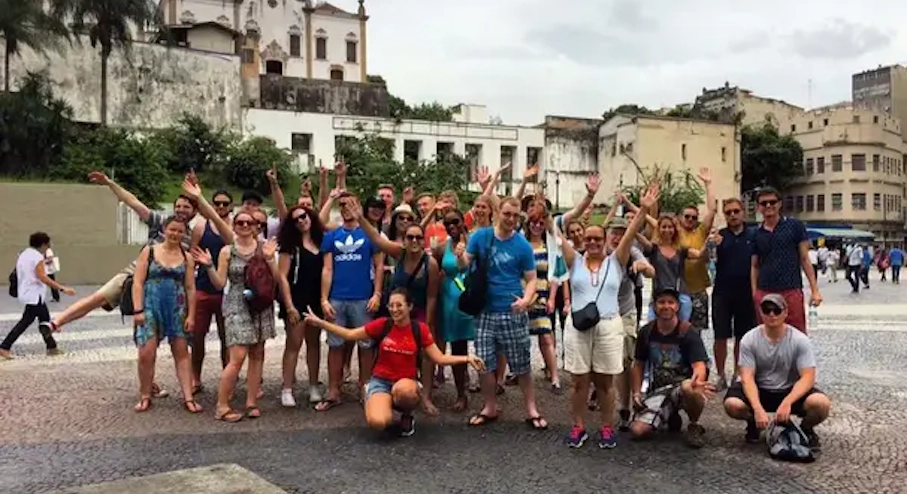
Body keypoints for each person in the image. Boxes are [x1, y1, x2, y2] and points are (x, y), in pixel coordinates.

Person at [303, 288, 485, 437]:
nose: (395, 309)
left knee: (404, 391)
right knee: (378, 422)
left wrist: (467, 358)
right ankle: (378, 399)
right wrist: (321, 323)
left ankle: (407, 413)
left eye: (399, 305)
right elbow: (350, 334)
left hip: (405, 381)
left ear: (409, 307)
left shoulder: (418, 329)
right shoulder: (383, 324)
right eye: (391, 305)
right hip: (381, 381)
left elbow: (439, 358)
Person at [560, 184, 656, 449]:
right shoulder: (574, 260)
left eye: (597, 239)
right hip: (579, 327)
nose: (592, 242)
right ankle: (578, 426)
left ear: (604, 241)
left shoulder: (617, 261)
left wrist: (645, 206)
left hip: (608, 325)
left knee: (605, 381)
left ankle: (606, 426)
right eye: (588, 238)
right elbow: (554, 229)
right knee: (579, 381)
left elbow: (633, 230)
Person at [458, 196, 547, 429]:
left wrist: (526, 300)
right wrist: (459, 254)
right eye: (507, 214)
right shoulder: (480, 236)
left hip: (512, 309)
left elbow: (531, 280)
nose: (511, 219)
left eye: (515, 216)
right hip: (484, 309)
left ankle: (531, 408)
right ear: (498, 213)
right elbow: (463, 265)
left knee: (522, 364)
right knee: (485, 362)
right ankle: (489, 406)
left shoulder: (523, 245)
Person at [354, 200, 442, 415]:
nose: (413, 241)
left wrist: (428, 323)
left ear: (424, 241)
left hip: (419, 310)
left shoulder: (429, 263)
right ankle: (381, 387)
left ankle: (426, 396)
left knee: (427, 355)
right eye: (410, 237)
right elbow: (375, 238)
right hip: (395, 310)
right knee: (387, 347)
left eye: (418, 238)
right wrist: (360, 217)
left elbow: (432, 296)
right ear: (404, 239)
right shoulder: (399, 253)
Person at [191, 208, 279, 422]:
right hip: (237, 303)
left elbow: (277, 278)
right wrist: (209, 266)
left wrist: (269, 259)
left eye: (250, 223)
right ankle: (222, 405)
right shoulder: (227, 251)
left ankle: (251, 402)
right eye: (240, 222)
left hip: (261, 303)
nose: (245, 226)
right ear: (234, 226)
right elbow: (220, 283)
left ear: (257, 227)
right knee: (237, 357)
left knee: (257, 354)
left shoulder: (264, 247)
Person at [723, 293, 832, 448]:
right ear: (761, 313)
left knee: (821, 404)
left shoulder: (800, 340)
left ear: (785, 312)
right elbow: (747, 377)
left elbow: (808, 377)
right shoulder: (749, 339)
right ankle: (753, 422)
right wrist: (757, 408)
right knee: (732, 404)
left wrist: (788, 402)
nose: (772, 314)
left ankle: (806, 429)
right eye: (767, 310)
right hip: (760, 389)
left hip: (789, 389)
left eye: (776, 310)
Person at [318, 192, 383, 411]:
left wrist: (377, 294)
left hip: (363, 296)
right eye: (343, 205)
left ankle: (365, 386)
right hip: (337, 297)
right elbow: (327, 268)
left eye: (352, 204)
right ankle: (334, 390)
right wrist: (324, 298)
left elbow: (379, 266)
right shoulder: (332, 235)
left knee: (366, 345)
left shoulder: (369, 234)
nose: (347, 208)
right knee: (335, 345)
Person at [628, 288, 715, 449]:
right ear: (654, 306)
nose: (666, 306)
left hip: (683, 387)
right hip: (659, 389)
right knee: (637, 431)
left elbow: (699, 365)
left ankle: (694, 424)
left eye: (670, 302)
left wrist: (698, 381)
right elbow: (638, 364)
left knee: (691, 388)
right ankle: (670, 415)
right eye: (661, 302)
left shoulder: (688, 332)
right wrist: (636, 393)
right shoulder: (646, 332)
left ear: (677, 307)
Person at [131, 216, 198, 414]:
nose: (175, 234)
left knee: (182, 352)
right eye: (172, 230)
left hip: (177, 307)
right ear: (164, 229)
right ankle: (145, 394)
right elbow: (138, 282)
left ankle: (188, 396)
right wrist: (138, 309)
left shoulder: (187, 257)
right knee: (146, 353)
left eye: (180, 231)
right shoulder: (149, 251)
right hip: (151, 305)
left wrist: (191, 315)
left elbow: (190, 288)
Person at [750, 187, 822, 333]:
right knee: (767, 334)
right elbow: (755, 266)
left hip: (791, 289)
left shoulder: (795, 226)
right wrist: (755, 293)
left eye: (772, 202)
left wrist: (815, 290)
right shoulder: (756, 233)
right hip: (765, 290)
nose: (769, 206)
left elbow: (804, 259)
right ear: (758, 207)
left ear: (780, 204)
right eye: (764, 203)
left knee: (796, 333)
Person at [276, 205, 327, 407]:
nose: (301, 221)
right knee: (293, 344)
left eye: (303, 216)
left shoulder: (322, 242)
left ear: (311, 216)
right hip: (296, 299)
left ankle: (314, 385)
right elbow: (282, 276)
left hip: (316, 299)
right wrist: (289, 305)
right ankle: (287, 388)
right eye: (296, 219)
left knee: (314, 344)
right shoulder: (290, 245)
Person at [0, 233, 75, 360]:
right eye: (48, 244)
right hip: (34, 295)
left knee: (44, 321)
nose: (49, 247)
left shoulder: (24, 254)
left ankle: (51, 347)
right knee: (26, 321)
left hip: (28, 292)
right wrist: (62, 288)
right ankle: (4, 347)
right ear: (44, 244)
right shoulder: (37, 257)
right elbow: (42, 277)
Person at [188, 189, 234, 394]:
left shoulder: (236, 227)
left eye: (225, 203)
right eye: (217, 203)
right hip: (203, 288)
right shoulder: (200, 227)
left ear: (231, 206)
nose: (221, 207)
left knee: (228, 339)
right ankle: (195, 378)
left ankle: (228, 378)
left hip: (227, 291)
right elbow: (192, 256)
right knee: (197, 337)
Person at [432, 209, 477, 411]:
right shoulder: (442, 247)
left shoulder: (474, 242)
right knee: (457, 346)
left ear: (463, 222)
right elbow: (432, 267)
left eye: (455, 222)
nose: (451, 227)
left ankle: (490, 391)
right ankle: (461, 392)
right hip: (449, 300)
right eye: (447, 224)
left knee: (484, 346)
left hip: (471, 297)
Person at [710, 198, 757, 389]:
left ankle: (738, 373)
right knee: (720, 335)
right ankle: (720, 374)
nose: (732, 215)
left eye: (736, 211)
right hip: (722, 292)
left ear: (743, 212)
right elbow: (708, 259)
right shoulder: (719, 236)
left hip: (746, 292)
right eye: (728, 212)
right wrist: (712, 246)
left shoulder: (754, 235)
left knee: (742, 336)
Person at [635, 215, 703, 323]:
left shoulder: (681, 250)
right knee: (653, 328)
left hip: (680, 294)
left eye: (670, 227)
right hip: (659, 295)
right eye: (664, 227)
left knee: (681, 329)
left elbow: (699, 254)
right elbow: (637, 236)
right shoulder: (654, 249)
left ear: (675, 229)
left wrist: (709, 241)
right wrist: (631, 226)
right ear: (659, 229)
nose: (667, 230)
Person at [675, 168, 717, 332]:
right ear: (680, 217)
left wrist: (708, 184)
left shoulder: (700, 231)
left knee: (697, 331)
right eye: (687, 216)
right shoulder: (674, 233)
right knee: (677, 330)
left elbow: (712, 210)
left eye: (694, 217)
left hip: (699, 289)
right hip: (679, 290)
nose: (691, 219)